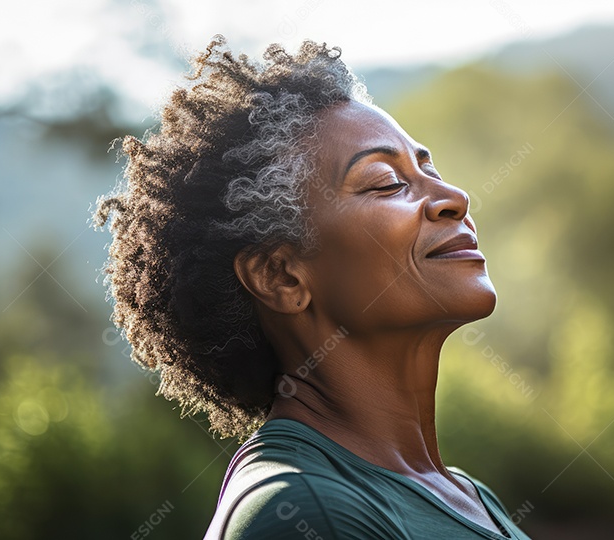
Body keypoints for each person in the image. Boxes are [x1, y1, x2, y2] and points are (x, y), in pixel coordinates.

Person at [94, 36, 529, 539]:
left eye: (429, 170)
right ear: (281, 277)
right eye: (387, 182)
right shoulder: (305, 510)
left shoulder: (470, 497)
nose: (454, 197)